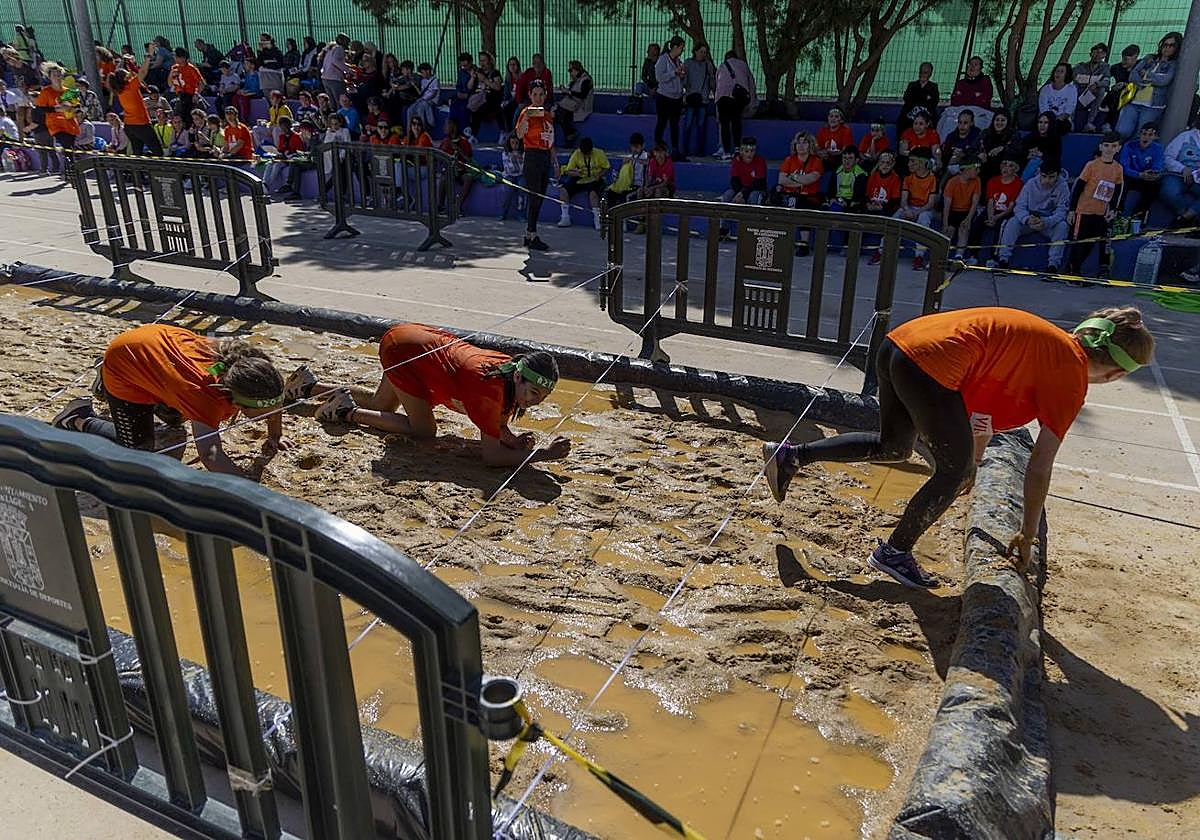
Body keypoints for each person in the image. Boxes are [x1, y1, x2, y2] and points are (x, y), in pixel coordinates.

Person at [762, 306, 1155, 587]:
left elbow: (977, 409)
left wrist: (974, 455)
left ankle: (791, 455)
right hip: (930, 364)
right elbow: (1039, 465)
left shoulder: (1049, 344)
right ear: (1118, 373)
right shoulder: (1070, 378)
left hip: (899, 344)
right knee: (953, 471)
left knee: (894, 446)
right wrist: (1027, 533)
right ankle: (894, 554)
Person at [300, 323, 571, 467]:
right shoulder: (490, 388)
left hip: (411, 339)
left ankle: (307, 387)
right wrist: (542, 454)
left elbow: (498, 428)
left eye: (542, 398)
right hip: (406, 352)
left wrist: (512, 440)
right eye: (533, 392)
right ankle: (345, 412)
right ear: (517, 377)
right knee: (424, 431)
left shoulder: (507, 369)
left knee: (380, 404)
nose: (535, 402)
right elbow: (492, 457)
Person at [52, 325, 297, 478]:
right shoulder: (203, 396)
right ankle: (79, 417)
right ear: (237, 401)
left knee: (175, 423)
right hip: (125, 362)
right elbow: (211, 455)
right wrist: (249, 486)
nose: (275, 412)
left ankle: (105, 382)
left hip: (153, 350)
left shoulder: (253, 368)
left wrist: (274, 435)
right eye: (265, 412)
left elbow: (272, 405)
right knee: (140, 453)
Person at [1066, 132, 1124, 281]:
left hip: (1102, 213)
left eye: (1113, 146)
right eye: (1106, 146)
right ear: (1100, 147)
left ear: (1118, 148)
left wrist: (1113, 209)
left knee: (1098, 242)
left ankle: (1099, 269)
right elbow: (1078, 187)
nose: (1109, 149)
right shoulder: (1091, 165)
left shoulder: (1118, 168)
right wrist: (1072, 210)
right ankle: (1073, 271)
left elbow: (1117, 190)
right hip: (1083, 210)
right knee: (1079, 241)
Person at [996, 158, 1070, 272]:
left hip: (1048, 222)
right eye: (1044, 176)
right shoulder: (1030, 184)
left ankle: (1053, 265)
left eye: (1051, 177)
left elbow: (1062, 211)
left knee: (1062, 226)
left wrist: (1047, 221)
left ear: (1058, 175)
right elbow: (1019, 207)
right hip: (1030, 220)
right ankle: (1003, 260)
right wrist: (1027, 219)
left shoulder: (1063, 186)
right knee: (1012, 222)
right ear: (1040, 173)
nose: (1047, 180)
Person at [516, 80, 558, 251]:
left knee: (540, 197)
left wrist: (555, 161)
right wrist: (526, 117)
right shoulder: (526, 112)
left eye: (541, 94)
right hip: (532, 155)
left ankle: (529, 234)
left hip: (545, 156)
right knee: (534, 197)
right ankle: (532, 235)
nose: (538, 98)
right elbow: (519, 134)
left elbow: (549, 138)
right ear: (530, 95)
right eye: (535, 95)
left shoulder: (546, 115)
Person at [1116, 32, 1181, 139]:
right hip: (1133, 101)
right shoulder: (1149, 58)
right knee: (1122, 131)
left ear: (1177, 48)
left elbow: (1164, 80)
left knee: (1141, 136)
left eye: (1171, 45)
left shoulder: (1174, 64)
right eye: (1165, 44)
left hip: (1153, 106)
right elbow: (1133, 75)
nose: (1167, 48)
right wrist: (1148, 80)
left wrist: (1145, 74)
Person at [891, 148, 939, 269]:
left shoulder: (932, 179)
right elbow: (903, 200)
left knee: (923, 219)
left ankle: (919, 256)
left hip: (925, 209)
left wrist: (917, 212)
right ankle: (883, 251)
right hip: (910, 207)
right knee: (896, 217)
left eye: (913, 161)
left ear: (923, 163)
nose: (909, 164)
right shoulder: (908, 178)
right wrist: (907, 209)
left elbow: (931, 203)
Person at [972, 157, 1022, 267]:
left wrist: (996, 218)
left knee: (1001, 227)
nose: (1006, 168)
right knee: (977, 223)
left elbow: (1010, 207)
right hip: (991, 210)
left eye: (1010, 166)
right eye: (1004, 163)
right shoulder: (993, 180)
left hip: (1006, 212)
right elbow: (990, 201)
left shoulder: (1018, 184)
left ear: (1016, 169)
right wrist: (990, 216)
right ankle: (973, 256)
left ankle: (993, 258)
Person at [35, 62, 79, 178]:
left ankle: (69, 171)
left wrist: (71, 108)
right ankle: (70, 172)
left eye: (59, 74)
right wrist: (56, 109)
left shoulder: (68, 91)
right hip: (56, 125)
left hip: (70, 123)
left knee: (69, 149)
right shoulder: (46, 92)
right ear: (49, 77)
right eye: (54, 75)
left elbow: (77, 107)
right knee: (66, 144)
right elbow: (40, 110)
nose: (57, 77)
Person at [556, 136, 609, 230]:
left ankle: (597, 219)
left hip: (594, 179)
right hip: (580, 179)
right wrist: (575, 173)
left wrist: (599, 175)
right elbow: (568, 171)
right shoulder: (576, 154)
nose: (585, 155)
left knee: (593, 193)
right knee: (563, 190)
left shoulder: (599, 153)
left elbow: (606, 167)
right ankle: (565, 217)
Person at [939, 55, 993, 139]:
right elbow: (955, 101)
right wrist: (974, 95)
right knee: (948, 121)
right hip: (958, 112)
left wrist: (964, 96)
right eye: (970, 64)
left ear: (981, 68)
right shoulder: (961, 83)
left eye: (975, 65)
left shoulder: (985, 81)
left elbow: (984, 99)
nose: (972, 67)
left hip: (979, 114)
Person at [715, 50, 755, 160]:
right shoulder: (743, 65)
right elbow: (751, 81)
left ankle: (726, 151)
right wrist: (751, 101)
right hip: (738, 97)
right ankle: (737, 148)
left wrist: (716, 105)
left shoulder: (722, 66)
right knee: (736, 122)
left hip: (723, 98)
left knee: (725, 125)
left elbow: (717, 85)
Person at [1161, 116, 1200, 229]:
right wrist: (1182, 168)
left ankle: (1185, 218)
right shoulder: (1185, 137)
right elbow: (1167, 157)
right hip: (1178, 175)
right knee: (1169, 191)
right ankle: (1182, 212)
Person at [1119, 123, 1164, 217]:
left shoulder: (1158, 148)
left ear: (1155, 137)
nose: (1146, 137)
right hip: (1131, 176)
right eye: (1144, 134)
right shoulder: (1129, 146)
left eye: (1150, 135)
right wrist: (1138, 174)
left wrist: (1153, 173)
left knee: (1155, 185)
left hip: (1146, 178)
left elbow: (1158, 166)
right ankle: (1118, 212)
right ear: (1139, 134)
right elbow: (1123, 167)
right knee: (1121, 181)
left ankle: (1139, 215)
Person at [942, 157, 982, 260]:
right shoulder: (952, 182)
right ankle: (941, 256)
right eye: (976, 169)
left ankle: (959, 256)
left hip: (966, 211)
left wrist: (968, 219)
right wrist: (945, 224)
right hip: (952, 210)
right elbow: (947, 206)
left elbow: (974, 203)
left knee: (964, 229)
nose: (979, 171)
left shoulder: (977, 181)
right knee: (949, 230)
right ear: (967, 169)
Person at [655, 36, 687, 160]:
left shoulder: (678, 61)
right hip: (664, 96)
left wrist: (681, 75)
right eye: (681, 47)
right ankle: (658, 146)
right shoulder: (663, 59)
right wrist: (674, 73)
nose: (682, 50)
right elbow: (659, 77)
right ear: (674, 47)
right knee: (662, 122)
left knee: (675, 124)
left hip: (676, 97)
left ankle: (675, 149)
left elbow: (679, 78)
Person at [682, 43, 715, 158]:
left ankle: (700, 150)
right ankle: (685, 149)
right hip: (691, 97)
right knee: (688, 125)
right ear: (695, 51)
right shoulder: (688, 63)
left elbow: (711, 81)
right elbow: (684, 81)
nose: (703, 54)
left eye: (705, 52)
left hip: (703, 99)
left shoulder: (708, 65)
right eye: (701, 51)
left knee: (701, 126)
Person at [773, 132, 822, 208]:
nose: (801, 146)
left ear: (810, 145)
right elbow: (782, 180)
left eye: (804, 143)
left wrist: (792, 177)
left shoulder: (816, 161)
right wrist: (802, 182)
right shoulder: (789, 160)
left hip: (808, 198)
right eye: (798, 143)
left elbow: (810, 179)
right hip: (788, 196)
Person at [603, 132, 648, 210]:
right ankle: (611, 217)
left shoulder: (646, 155)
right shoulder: (629, 157)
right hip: (627, 184)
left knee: (624, 195)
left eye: (637, 147)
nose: (634, 149)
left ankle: (623, 219)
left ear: (643, 145)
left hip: (638, 185)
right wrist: (621, 167)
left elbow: (648, 162)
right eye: (633, 147)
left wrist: (633, 159)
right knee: (610, 192)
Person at [1100, 44, 1139, 130]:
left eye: (1126, 59)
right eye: (1123, 58)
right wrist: (1111, 87)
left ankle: (1109, 121)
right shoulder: (1116, 68)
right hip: (1117, 93)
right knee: (1115, 93)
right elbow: (1105, 78)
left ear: (1135, 59)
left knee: (1126, 90)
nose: (1123, 61)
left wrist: (1126, 85)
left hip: (1133, 93)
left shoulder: (1139, 67)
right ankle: (1106, 120)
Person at [1073, 43, 1110, 132]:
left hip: (1092, 98)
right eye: (1096, 52)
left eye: (1101, 53)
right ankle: (1071, 121)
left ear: (1104, 55)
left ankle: (1089, 123)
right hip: (1078, 97)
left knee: (1101, 90)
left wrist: (1097, 84)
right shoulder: (1080, 67)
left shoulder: (1105, 67)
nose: (1098, 55)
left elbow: (1107, 82)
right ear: (1090, 54)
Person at [557, 60, 594, 146]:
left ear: (577, 70)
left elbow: (582, 95)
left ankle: (570, 134)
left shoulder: (586, 80)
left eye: (570, 70)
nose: (569, 73)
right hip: (574, 104)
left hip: (582, 107)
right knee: (557, 111)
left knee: (560, 112)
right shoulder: (576, 80)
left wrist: (568, 92)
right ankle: (570, 134)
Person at [723, 136, 767, 205]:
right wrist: (739, 193)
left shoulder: (760, 161)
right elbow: (734, 181)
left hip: (755, 190)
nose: (749, 154)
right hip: (740, 189)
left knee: (753, 196)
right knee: (727, 194)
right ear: (741, 151)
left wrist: (743, 193)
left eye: (752, 151)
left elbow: (759, 183)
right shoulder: (737, 161)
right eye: (746, 151)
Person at [468, 51, 503, 136]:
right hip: (478, 98)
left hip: (491, 99)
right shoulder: (478, 72)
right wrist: (472, 77)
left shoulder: (495, 73)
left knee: (493, 108)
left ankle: (503, 132)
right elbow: (469, 86)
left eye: (484, 60)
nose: (482, 63)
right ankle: (472, 134)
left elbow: (498, 87)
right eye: (480, 61)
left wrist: (485, 80)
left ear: (489, 61)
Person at [1020, 111, 1063, 181]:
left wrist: (1041, 155)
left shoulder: (1055, 139)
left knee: (1036, 160)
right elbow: (1021, 152)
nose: (1042, 125)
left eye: (1046, 123)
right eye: (1040, 122)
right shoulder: (1031, 137)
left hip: (1047, 169)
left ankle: (1022, 184)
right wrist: (1028, 155)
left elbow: (1055, 159)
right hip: (1028, 166)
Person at [899, 62, 938, 135]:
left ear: (930, 74)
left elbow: (934, 102)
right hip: (911, 111)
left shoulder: (933, 87)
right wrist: (925, 98)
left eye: (925, 72)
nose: (922, 74)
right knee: (902, 120)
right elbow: (907, 99)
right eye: (921, 71)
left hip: (926, 113)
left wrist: (918, 98)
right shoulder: (912, 85)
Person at [978, 109, 1017, 182]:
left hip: (1002, 168)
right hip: (984, 166)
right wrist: (980, 153)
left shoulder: (1013, 135)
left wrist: (1003, 148)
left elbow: (1016, 151)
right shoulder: (986, 133)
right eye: (997, 120)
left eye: (1003, 120)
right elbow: (975, 146)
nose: (999, 122)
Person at [826, 145, 867, 212]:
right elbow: (830, 190)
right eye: (844, 158)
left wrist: (847, 203)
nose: (846, 161)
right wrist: (832, 199)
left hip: (851, 203)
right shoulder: (836, 172)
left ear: (856, 160)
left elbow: (859, 197)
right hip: (837, 200)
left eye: (850, 158)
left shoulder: (861, 175)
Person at [1038, 63, 1077, 133]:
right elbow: (1043, 108)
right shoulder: (1045, 89)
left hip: (1063, 120)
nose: (1058, 73)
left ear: (1067, 74)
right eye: (1057, 71)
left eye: (1062, 71)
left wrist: (1059, 118)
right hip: (1046, 119)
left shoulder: (1072, 89)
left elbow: (1070, 108)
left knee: (1060, 126)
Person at [941, 109, 982, 177]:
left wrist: (963, 155)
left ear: (971, 123)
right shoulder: (951, 136)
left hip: (971, 165)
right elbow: (945, 155)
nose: (962, 126)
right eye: (960, 122)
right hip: (953, 166)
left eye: (965, 123)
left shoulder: (977, 135)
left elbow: (978, 153)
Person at [864, 150, 902, 218]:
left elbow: (895, 200)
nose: (885, 165)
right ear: (878, 163)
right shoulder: (873, 176)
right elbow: (867, 195)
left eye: (888, 163)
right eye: (882, 162)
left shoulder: (896, 178)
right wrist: (868, 204)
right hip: (872, 205)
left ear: (893, 164)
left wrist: (882, 207)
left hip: (886, 208)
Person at [168, 47, 204, 118]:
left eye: (176, 56)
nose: (174, 58)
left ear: (183, 58)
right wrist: (171, 74)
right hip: (179, 94)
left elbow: (201, 83)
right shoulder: (174, 68)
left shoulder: (191, 68)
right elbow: (170, 84)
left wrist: (196, 94)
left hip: (190, 95)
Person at [498, 132, 526, 221]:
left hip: (521, 175)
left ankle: (521, 214)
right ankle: (503, 213)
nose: (514, 145)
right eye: (512, 143)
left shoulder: (524, 153)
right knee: (508, 192)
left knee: (522, 192)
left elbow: (523, 167)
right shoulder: (505, 153)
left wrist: (518, 158)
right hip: (509, 175)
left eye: (516, 143)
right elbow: (507, 168)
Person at [408, 62, 440, 135]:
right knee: (410, 110)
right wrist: (415, 86)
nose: (422, 75)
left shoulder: (435, 80)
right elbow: (421, 93)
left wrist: (424, 99)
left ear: (428, 71)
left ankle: (424, 129)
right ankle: (410, 130)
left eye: (422, 72)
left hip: (431, 101)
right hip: (422, 100)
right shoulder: (423, 80)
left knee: (421, 108)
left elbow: (433, 94)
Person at [321, 33, 351, 104]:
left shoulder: (331, 49)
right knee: (340, 101)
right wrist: (348, 70)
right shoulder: (339, 48)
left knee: (332, 102)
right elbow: (335, 61)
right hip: (335, 78)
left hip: (325, 77)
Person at [499, 56, 522, 138]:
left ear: (518, 66)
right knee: (503, 109)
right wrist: (504, 101)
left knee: (515, 111)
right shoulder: (508, 79)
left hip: (520, 101)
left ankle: (514, 132)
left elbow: (520, 94)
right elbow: (506, 93)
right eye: (510, 65)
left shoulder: (522, 78)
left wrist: (509, 101)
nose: (512, 67)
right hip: (511, 101)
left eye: (514, 64)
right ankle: (507, 132)